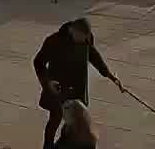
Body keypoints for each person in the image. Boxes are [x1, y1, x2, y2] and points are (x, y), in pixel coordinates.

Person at [35, 18, 120, 149]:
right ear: (72, 31)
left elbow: (93, 55)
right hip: (58, 87)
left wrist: (109, 75)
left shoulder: (86, 38)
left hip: (77, 87)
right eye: (81, 38)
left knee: (76, 120)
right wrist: (47, 82)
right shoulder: (54, 41)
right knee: (55, 118)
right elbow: (38, 62)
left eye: (86, 39)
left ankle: (65, 143)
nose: (83, 42)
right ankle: (48, 146)